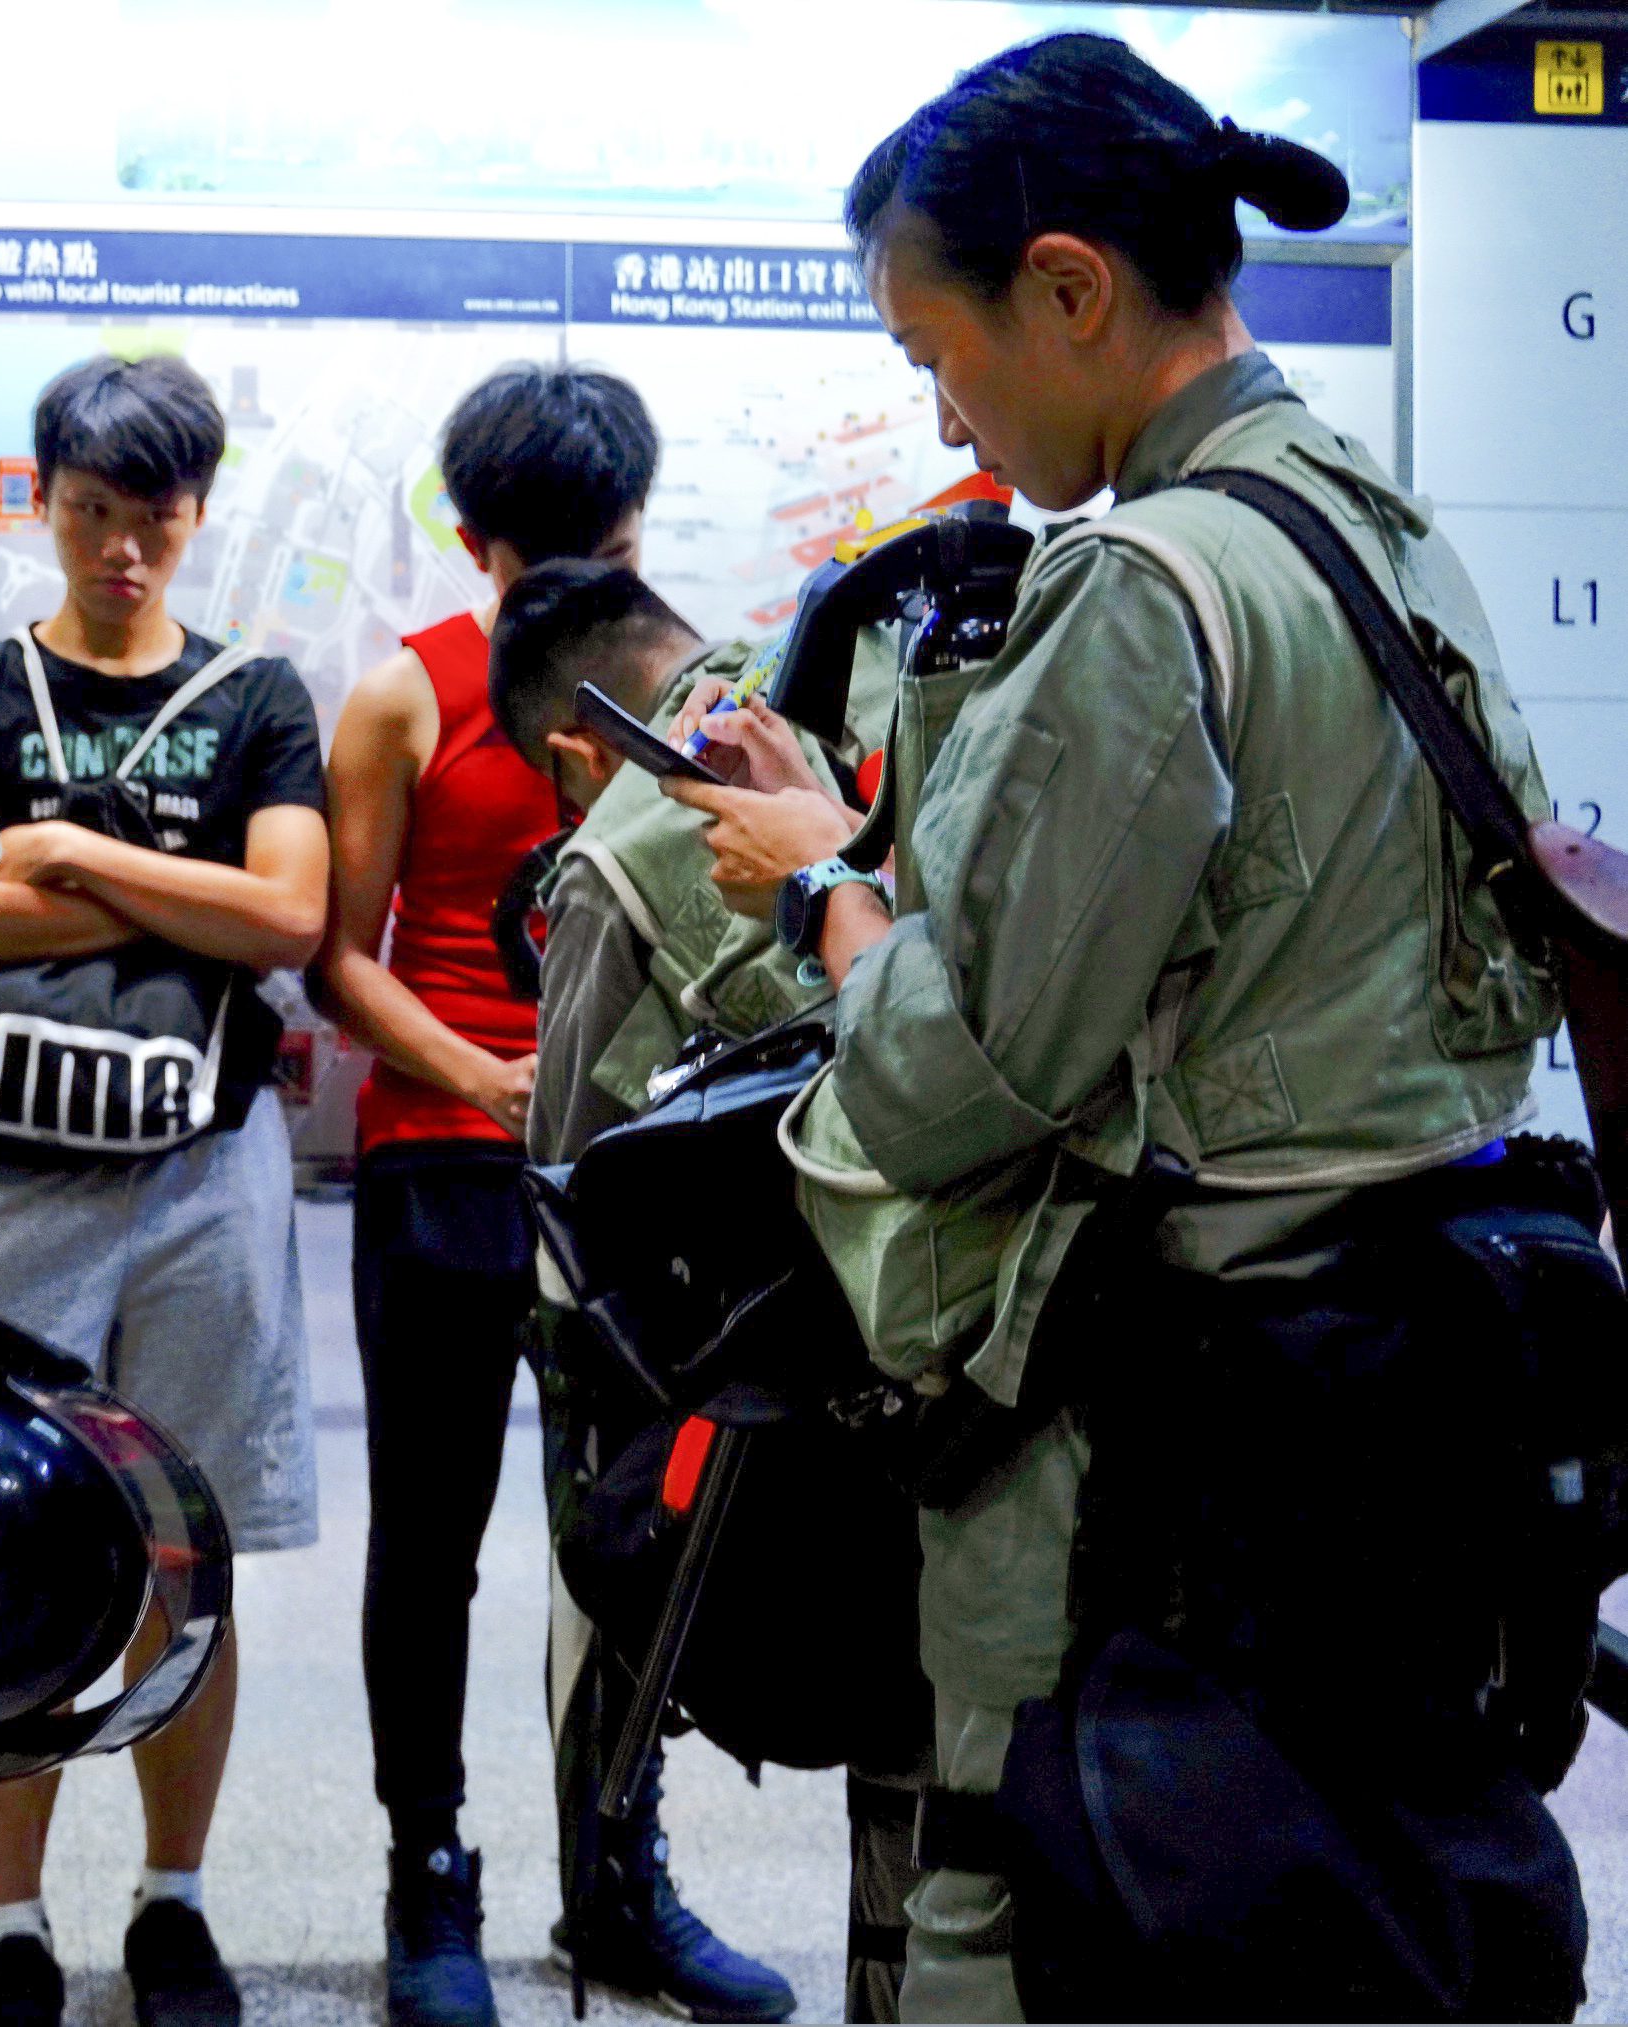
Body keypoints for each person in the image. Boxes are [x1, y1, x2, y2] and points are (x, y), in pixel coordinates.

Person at [662, 34, 1591, 2021]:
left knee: (1041, 1910)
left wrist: (832, 890)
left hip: (1157, 1448)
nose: (941, 406)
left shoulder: (1134, 578)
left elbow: (942, 1075)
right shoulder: (1369, 527)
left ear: (1068, 289)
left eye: (937, 348)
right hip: (1410, 1380)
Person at [312, 363, 763, 2027]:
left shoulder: (696, 689)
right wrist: (494, 1075)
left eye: (611, 545)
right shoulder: (404, 700)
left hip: (633, 1179)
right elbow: (336, 964)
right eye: (543, 554)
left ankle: (615, 1871)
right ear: (477, 540)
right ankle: (425, 1872)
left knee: (632, 1535)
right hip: (443, 1158)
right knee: (427, 1539)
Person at [0, 353, 329, 2027]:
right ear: (44, 501)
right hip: (1, 1178)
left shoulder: (259, 695)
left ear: (197, 512)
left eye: (152, 518)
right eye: (89, 513)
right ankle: (9, 1926)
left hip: (201, 1175)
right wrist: (184, 896)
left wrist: (66, 857)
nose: (121, 551)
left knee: (185, 1552)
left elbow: (289, 920)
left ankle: (174, 1901)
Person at [490, 560, 909, 2023]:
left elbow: (572, 1184)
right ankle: (893, 1966)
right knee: (927, 1686)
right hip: (977, 1283)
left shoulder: (609, 855)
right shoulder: (883, 683)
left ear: (567, 757)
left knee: (600, 1544)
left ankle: (607, 1885)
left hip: (763, 1346)